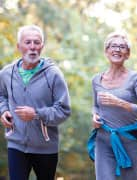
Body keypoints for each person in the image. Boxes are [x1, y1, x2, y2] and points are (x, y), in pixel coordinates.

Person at [0, 25, 71, 180]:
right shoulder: (6, 73)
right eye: (28, 42)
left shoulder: (53, 74)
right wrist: (3, 111)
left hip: (46, 148)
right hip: (16, 144)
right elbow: (1, 96)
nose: (32, 47)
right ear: (19, 46)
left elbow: (64, 110)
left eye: (36, 42)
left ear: (42, 46)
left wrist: (36, 114)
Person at [88, 30, 137, 180]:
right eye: (113, 46)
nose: (117, 49)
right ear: (106, 51)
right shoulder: (97, 80)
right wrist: (94, 116)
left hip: (128, 140)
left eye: (122, 47)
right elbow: (96, 105)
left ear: (128, 54)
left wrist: (121, 103)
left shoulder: (135, 78)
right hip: (103, 140)